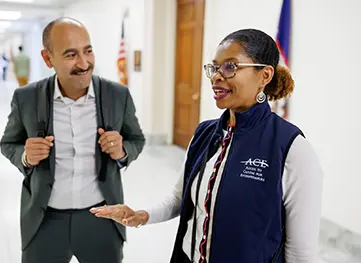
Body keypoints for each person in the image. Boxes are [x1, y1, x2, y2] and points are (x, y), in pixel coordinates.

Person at [91, 29, 324, 263]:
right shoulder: (204, 133)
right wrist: (140, 216)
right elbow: (179, 198)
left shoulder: (291, 148)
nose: (216, 77)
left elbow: (301, 252)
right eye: (214, 68)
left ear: (265, 75)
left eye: (231, 67)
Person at [0, 17, 145, 263]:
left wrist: (122, 151)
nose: (84, 63)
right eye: (70, 55)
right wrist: (25, 155)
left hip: (102, 218)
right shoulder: (27, 98)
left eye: (88, 51)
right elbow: (8, 144)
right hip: (45, 220)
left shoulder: (117, 95)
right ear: (48, 59)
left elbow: (136, 139)